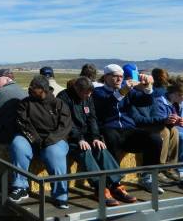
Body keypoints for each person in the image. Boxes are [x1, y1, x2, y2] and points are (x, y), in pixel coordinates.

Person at [58, 77, 137, 206]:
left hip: (87, 134)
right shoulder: (64, 98)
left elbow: (92, 118)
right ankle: (100, 188)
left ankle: (116, 184)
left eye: (90, 93)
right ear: (77, 89)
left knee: (100, 148)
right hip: (70, 137)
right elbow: (67, 122)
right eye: (85, 93)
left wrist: (96, 137)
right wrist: (79, 139)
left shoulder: (88, 96)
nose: (88, 96)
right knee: (85, 151)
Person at [93, 64, 163, 194]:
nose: (119, 79)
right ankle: (114, 182)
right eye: (115, 76)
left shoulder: (128, 92)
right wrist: (123, 91)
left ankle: (147, 176)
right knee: (111, 139)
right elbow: (108, 103)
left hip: (128, 129)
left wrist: (148, 88)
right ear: (106, 77)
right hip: (109, 127)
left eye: (121, 76)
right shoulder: (98, 92)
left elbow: (145, 101)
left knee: (155, 139)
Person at [9, 75, 72, 209]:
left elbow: (64, 127)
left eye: (33, 88)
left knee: (55, 153)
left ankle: (60, 195)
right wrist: (36, 140)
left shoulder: (59, 104)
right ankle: (20, 187)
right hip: (31, 138)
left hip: (54, 139)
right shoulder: (24, 103)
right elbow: (23, 123)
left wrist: (49, 141)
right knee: (17, 144)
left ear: (43, 90)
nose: (29, 90)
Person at [125, 64, 179, 183]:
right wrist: (162, 121)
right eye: (143, 82)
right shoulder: (133, 96)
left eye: (147, 82)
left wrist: (172, 120)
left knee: (174, 131)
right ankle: (158, 168)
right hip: (140, 127)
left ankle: (169, 167)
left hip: (152, 124)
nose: (146, 84)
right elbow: (138, 120)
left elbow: (157, 115)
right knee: (163, 132)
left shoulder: (151, 95)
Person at [160, 76, 183, 180]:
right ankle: (179, 168)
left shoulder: (177, 102)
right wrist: (173, 121)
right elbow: (159, 118)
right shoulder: (162, 101)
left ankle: (173, 167)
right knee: (181, 136)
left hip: (175, 127)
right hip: (166, 128)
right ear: (177, 94)